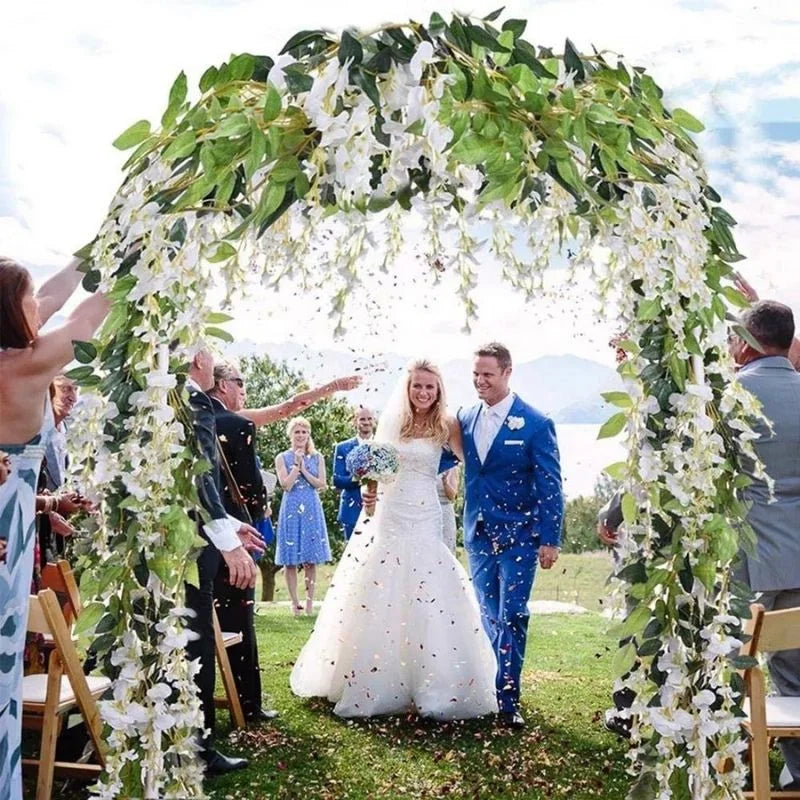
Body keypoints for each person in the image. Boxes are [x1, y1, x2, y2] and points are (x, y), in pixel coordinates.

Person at [290, 359, 497, 720]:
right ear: (408, 387)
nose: (423, 392)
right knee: (381, 586)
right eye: (417, 385)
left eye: (430, 387)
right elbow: (378, 467)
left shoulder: (447, 424)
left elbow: (472, 464)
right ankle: (375, 679)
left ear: (439, 390)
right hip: (391, 512)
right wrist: (370, 493)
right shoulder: (393, 420)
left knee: (429, 586)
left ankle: (434, 681)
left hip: (426, 512)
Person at [0, 255, 109, 800]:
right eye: (26, 300)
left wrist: (92, 251)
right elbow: (87, 319)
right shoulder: (25, 364)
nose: (37, 305)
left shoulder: (9, 350)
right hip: (8, 525)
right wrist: (147, 252)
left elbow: (52, 294)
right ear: (11, 310)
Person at [458, 342, 564, 728]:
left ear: (506, 372)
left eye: (487, 374)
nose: (479, 381)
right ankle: (489, 688)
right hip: (478, 534)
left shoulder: (535, 422)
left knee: (513, 614)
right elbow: (443, 459)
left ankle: (508, 699)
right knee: (487, 614)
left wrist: (550, 540)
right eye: (475, 374)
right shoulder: (465, 416)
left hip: (520, 536)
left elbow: (550, 485)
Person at [185, 348, 265, 776]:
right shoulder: (192, 401)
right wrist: (227, 540)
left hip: (183, 537)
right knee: (196, 643)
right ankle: (197, 747)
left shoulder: (158, 400)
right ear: (199, 362)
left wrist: (232, 523)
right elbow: (201, 477)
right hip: (194, 547)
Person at [730, 300, 800, 791]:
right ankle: (797, 775)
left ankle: (727, 768)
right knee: (794, 672)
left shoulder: (728, 396)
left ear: (749, 341)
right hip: (799, 556)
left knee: (729, 664)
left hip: (747, 556)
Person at [208, 363, 278, 724]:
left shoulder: (192, 421)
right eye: (240, 382)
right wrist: (258, 518)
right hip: (235, 533)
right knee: (240, 619)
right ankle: (248, 703)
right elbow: (250, 486)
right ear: (221, 385)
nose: (244, 390)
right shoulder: (238, 426)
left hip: (200, 537)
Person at [275, 417, 331, 616]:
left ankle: (309, 603)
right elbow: (286, 485)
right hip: (290, 508)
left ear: (308, 435)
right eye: (297, 432)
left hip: (311, 508)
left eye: (304, 432)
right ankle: (294, 603)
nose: (300, 436)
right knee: (290, 560)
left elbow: (321, 484)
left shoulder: (318, 457)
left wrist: (305, 469)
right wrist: (296, 466)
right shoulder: (282, 457)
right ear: (290, 435)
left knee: (310, 559)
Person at [332, 406, 376, 540]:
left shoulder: (383, 444)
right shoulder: (343, 448)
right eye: (362, 419)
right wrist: (360, 478)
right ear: (355, 422)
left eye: (369, 419)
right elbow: (337, 480)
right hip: (352, 508)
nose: (366, 422)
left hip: (379, 506)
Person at [437, 464, 459, 553]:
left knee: (445, 550)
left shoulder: (449, 464)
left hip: (444, 512)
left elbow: (452, 496)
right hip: (424, 512)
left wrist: (445, 482)